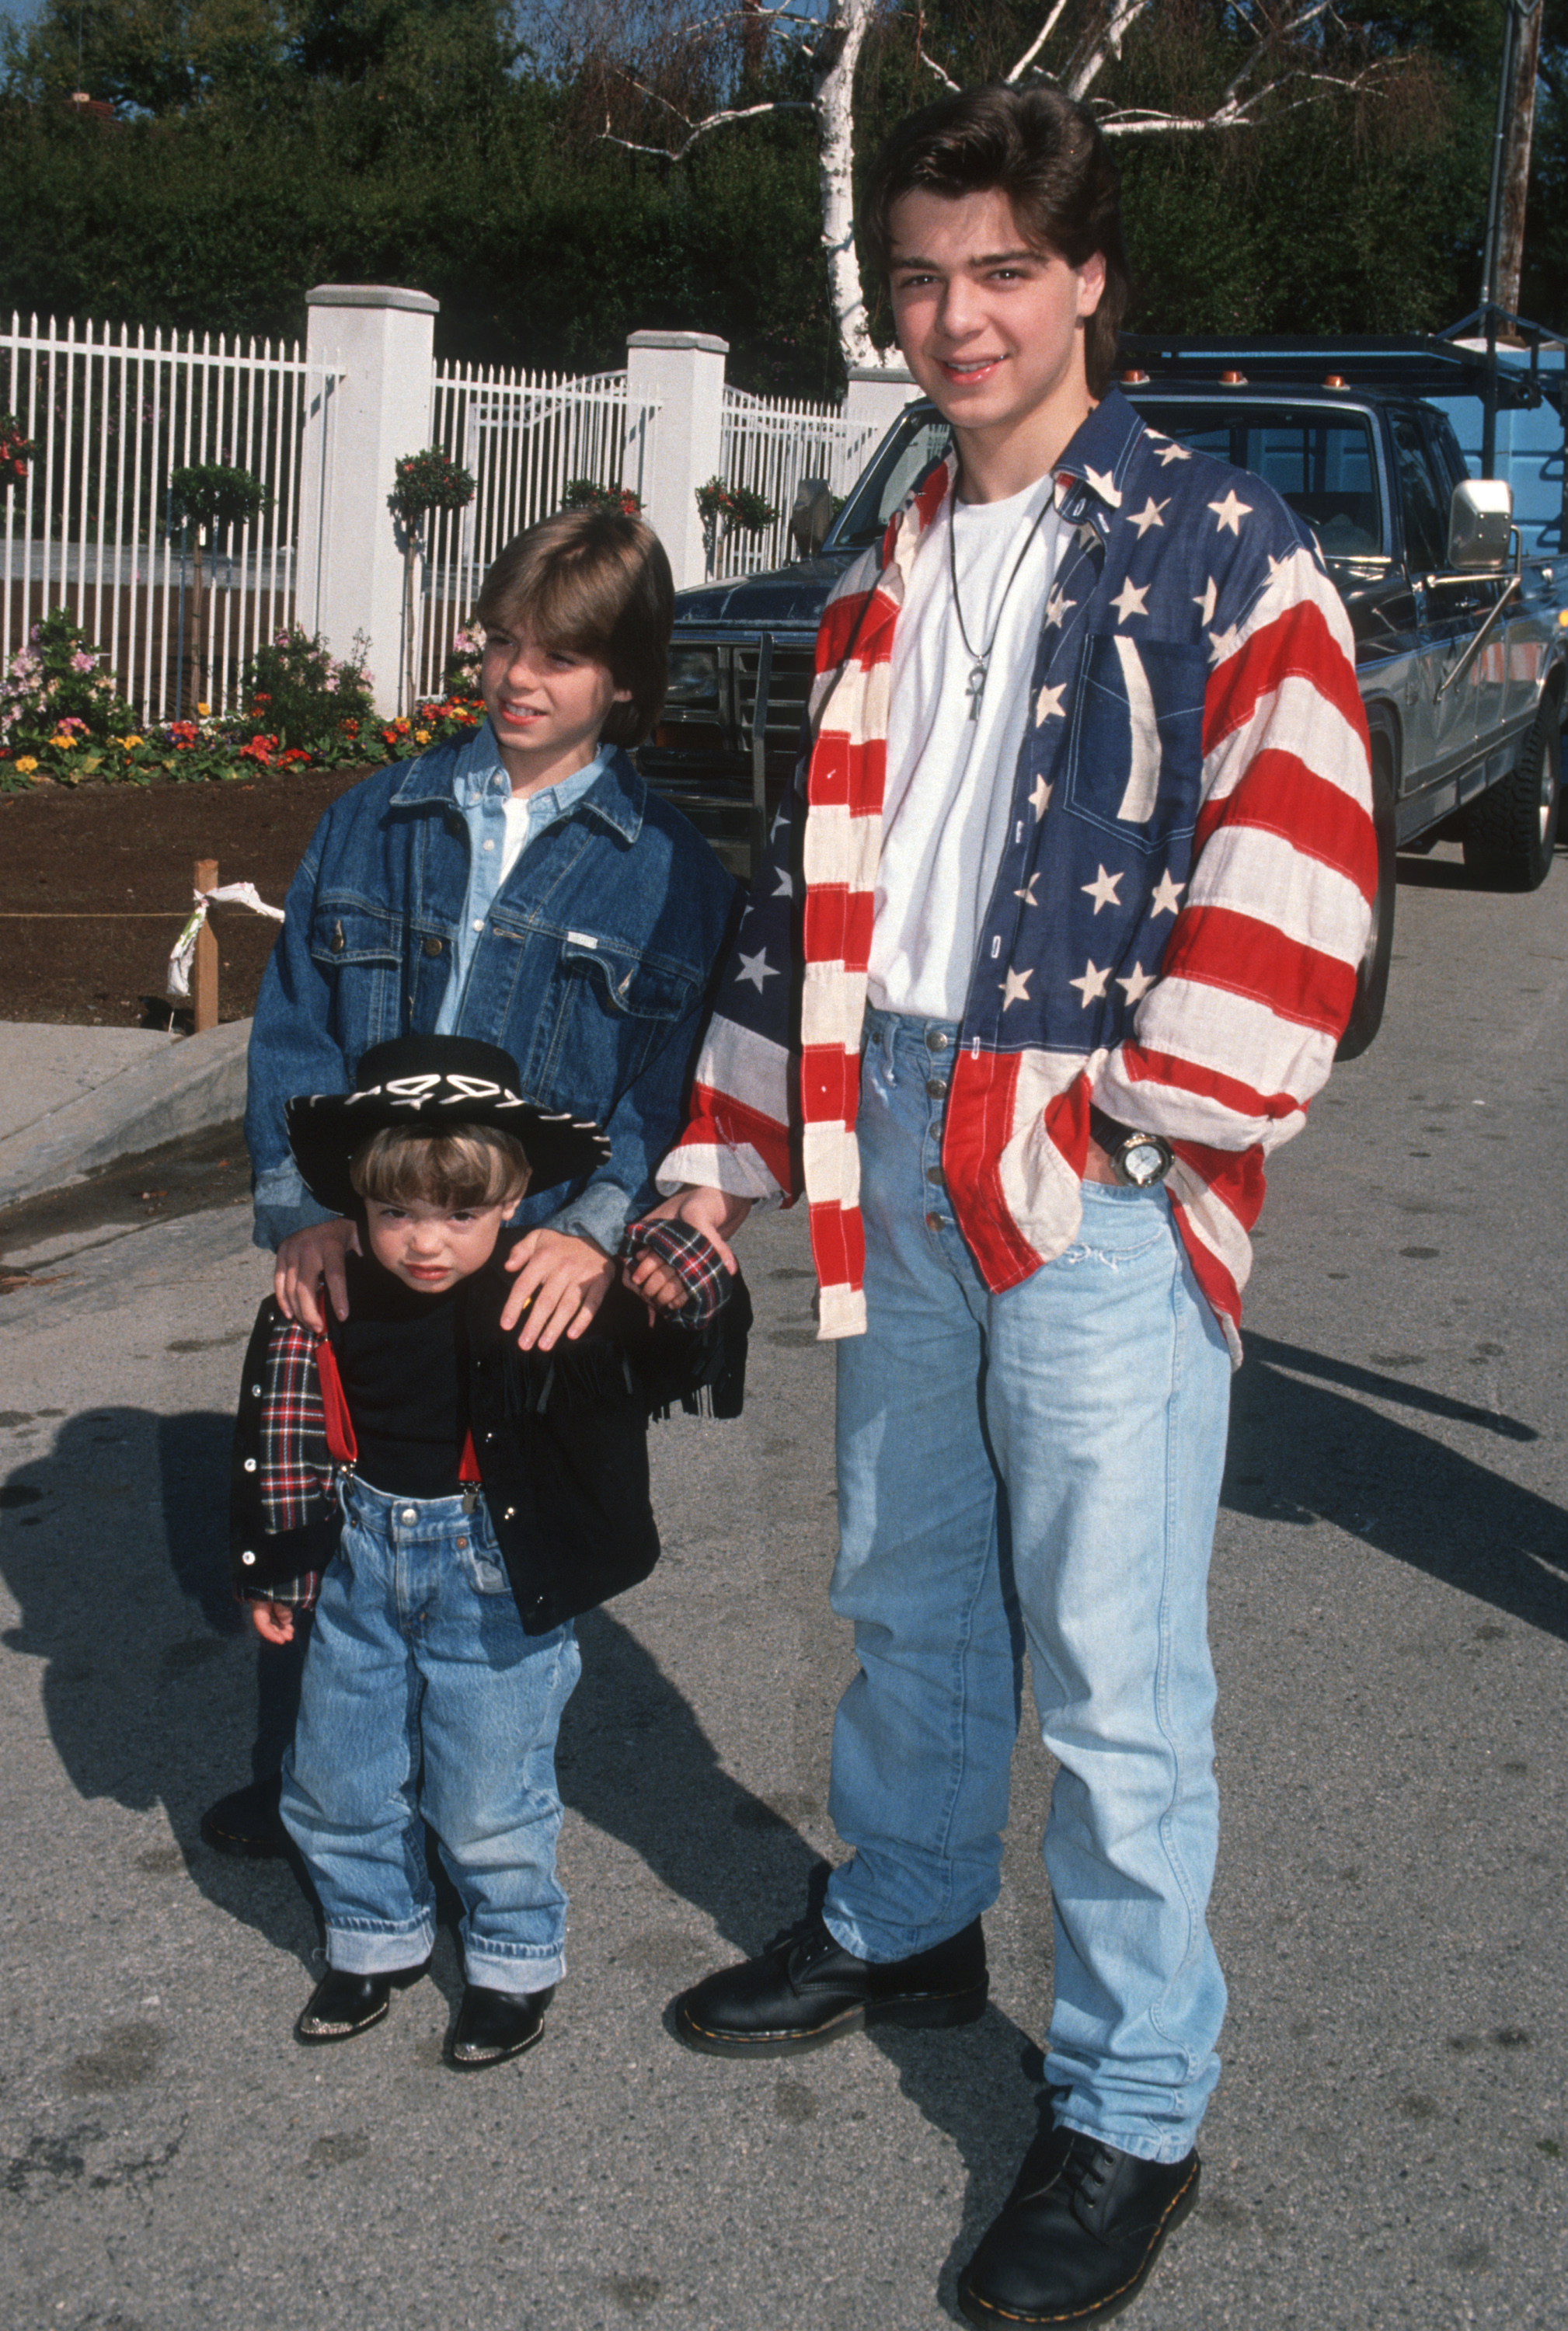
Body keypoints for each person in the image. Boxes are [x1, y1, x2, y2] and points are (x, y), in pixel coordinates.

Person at [631, 82, 1375, 2328]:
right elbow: (812, 894)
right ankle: (912, 1919)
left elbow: (1303, 864)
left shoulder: (1218, 547)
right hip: (893, 1108)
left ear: (1087, 282)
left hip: (1089, 1157)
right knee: (909, 1581)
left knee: (1120, 1674)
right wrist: (718, 1152)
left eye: (999, 274)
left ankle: (1137, 2105)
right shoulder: (889, 567)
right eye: (925, 276)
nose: (956, 318)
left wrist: (1139, 1130)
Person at [200, 505, 739, 1860]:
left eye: (558, 656)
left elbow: (663, 1082)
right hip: (364, 1239)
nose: (516, 680)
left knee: (493, 1541)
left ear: (623, 680)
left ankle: (475, 1810)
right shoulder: (376, 817)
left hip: (529, 1261)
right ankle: (321, 1778)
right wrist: (308, 1211)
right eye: (501, 642)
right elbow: (298, 1025)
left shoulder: (670, 873)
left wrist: (603, 1233)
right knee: (334, 1497)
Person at [231, 1035, 748, 2064]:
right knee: (335, 1774)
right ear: (357, 1206)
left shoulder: (546, 1288)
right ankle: (373, 1937)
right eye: (397, 1214)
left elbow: (674, 1347)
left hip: (494, 1576)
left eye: (459, 1214)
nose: (427, 1242)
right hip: (360, 1566)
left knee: (485, 1791)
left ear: (512, 1200)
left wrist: (673, 1272)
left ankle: (512, 1959)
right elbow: (279, 1433)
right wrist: (282, 1565)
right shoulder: (324, 1289)